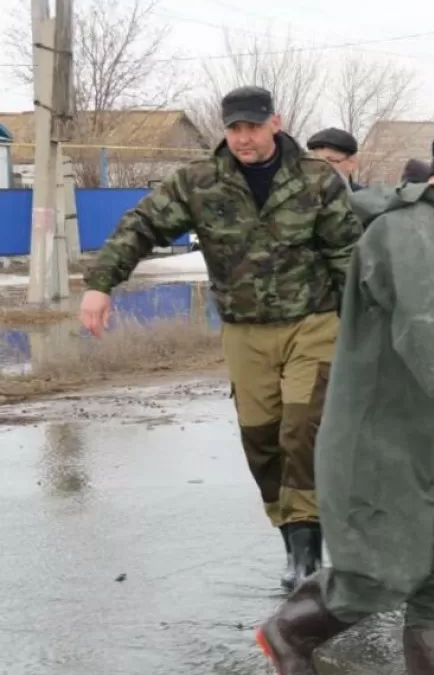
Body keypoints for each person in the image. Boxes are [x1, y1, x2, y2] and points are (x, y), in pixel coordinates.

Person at [79, 86, 363, 589]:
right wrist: (101, 284)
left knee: (302, 429)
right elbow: (142, 224)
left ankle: (306, 553)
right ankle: (288, 531)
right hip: (244, 328)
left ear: (275, 122)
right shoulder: (200, 183)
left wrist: (365, 326)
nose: (243, 138)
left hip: (313, 322)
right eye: (234, 128)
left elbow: (348, 255)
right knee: (262, 438)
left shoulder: (317, 180)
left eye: (252, 127)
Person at [255, 134, 434, 675]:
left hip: (421, 437)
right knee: (377, 572)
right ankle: (289, 634)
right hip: (378, 435)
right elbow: (423, 322)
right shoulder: (412, 230)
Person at [306, 127, 364, 191]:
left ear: (352, 162)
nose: (319, 166)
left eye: (329, 160)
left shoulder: (364, 199)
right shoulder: (300, 196)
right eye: (315, 160)